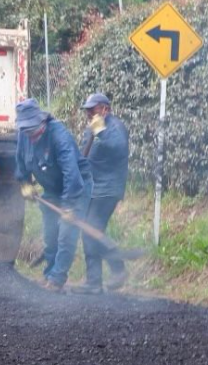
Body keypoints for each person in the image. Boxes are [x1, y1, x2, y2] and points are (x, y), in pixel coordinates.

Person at [14, 98, 91, 291]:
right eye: (25, 130)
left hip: (76, 188)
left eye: (32, 129)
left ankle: (57, 279)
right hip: (51, 190)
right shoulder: (24, 135)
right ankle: (49, 273)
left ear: (41, 122)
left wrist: (69, 206)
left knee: (66, 233)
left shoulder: (59, 136)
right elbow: (21, 164)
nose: (29, 135)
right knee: (50, 234)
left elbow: (71, 175)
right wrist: (26, 185)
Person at [72, 92, 130, 294]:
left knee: (91, 230)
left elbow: (119, 147)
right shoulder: (93, 128)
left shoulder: (114, 127)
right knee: (90, 231)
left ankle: (116, 270)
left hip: (108, 189)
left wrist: (100, 131)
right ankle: (94, 282)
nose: (88, 113)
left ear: (105, 109)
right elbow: (84, 155)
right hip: (93, 188)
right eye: (87, 110)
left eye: (92, 109)